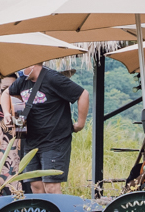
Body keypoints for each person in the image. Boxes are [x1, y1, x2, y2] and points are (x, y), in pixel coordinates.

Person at [7, 61, 87, 195]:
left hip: (54, 140)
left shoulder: (53, 78)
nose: (20, 70)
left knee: (51, 186)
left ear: (32, 65)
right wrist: (7, 113)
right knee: (36, 186)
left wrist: (80, 123)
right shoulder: (22, 80)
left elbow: (83, 94)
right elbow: (7, 93)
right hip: (30, 140)